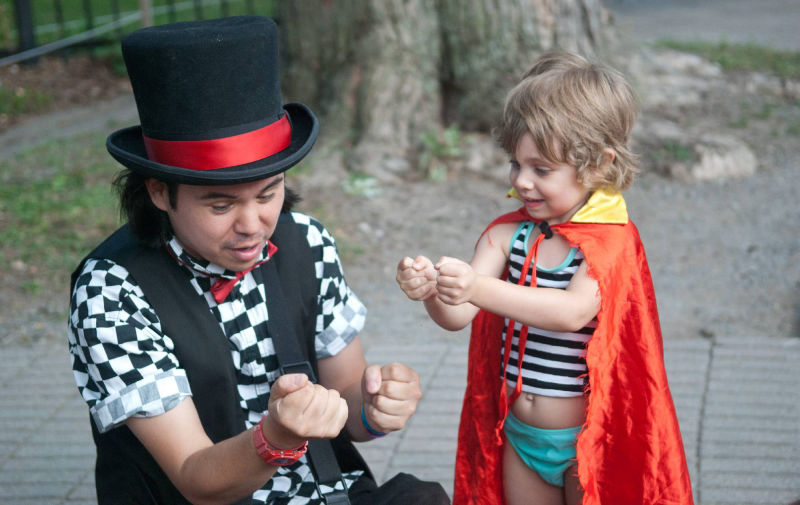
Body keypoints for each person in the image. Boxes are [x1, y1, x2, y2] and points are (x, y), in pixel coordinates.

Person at [67, 16, 450, 505]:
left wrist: (376, 408)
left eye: (269, 193)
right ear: (160, 192)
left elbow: (348, 407)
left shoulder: (307, 242)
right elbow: (194, 477)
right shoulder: (112, 291)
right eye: (221, 205)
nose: (253, 223)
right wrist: (275, 438)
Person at [396, 51, 693, 505]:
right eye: (517, 164)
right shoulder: (506, 235)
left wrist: (477, 287)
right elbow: (458, 316)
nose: (523, 181)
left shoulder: (608, 242)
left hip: (585, 442)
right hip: (521, 436)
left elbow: (569, 313)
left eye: (542, 169)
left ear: (598, 164)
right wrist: (434, 292)